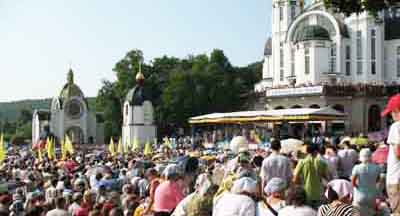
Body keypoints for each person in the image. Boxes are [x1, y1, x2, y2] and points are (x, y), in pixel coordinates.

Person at [381, 93, 400, 216]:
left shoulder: (396, 126)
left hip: (396, 179)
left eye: (392, 112)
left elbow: (398, 152)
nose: (391, 115)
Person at [351, 148, 381, 215]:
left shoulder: (357, 167)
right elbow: (378, 180)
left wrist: (358, 188)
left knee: (358, 213)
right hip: (372, 195)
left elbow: (353, 182)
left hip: (360, 195)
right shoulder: (377, 167)